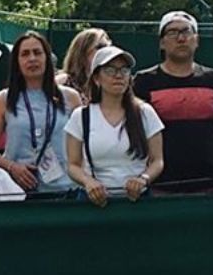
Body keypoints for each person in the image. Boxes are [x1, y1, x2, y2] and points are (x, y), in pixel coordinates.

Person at [132, 11, 213, 194]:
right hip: (161, 188)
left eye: (186, 32)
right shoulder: (143, 82)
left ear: (196, 40)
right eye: (172, 33)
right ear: (162, 42)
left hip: (211, 187)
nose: (181, 38)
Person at [64, 47, 165, 207]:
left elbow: (157, 160)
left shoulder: (145, 112)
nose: (118, 75)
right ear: (97, 78)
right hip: (93, 204)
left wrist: (143, 180)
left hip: (138, 203)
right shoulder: (81, 116)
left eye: (124, 70)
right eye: (110, 70)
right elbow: (73, 165)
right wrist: (89, 182)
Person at [0, 31, 81, 198]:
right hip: (17, 191)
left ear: (47, 58)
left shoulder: (71, 97)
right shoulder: (2, 100)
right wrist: (11, 167)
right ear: (17, 61)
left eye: (37, 53)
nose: (32, 59)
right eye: (25, 54)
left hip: (65, 190)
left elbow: (83, 146)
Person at [56, 27, 112, 102]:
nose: (106, 51)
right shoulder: (63, 82)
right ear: (82, 52)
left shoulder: (108, 84)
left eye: (108, 47)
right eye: (100, 47)